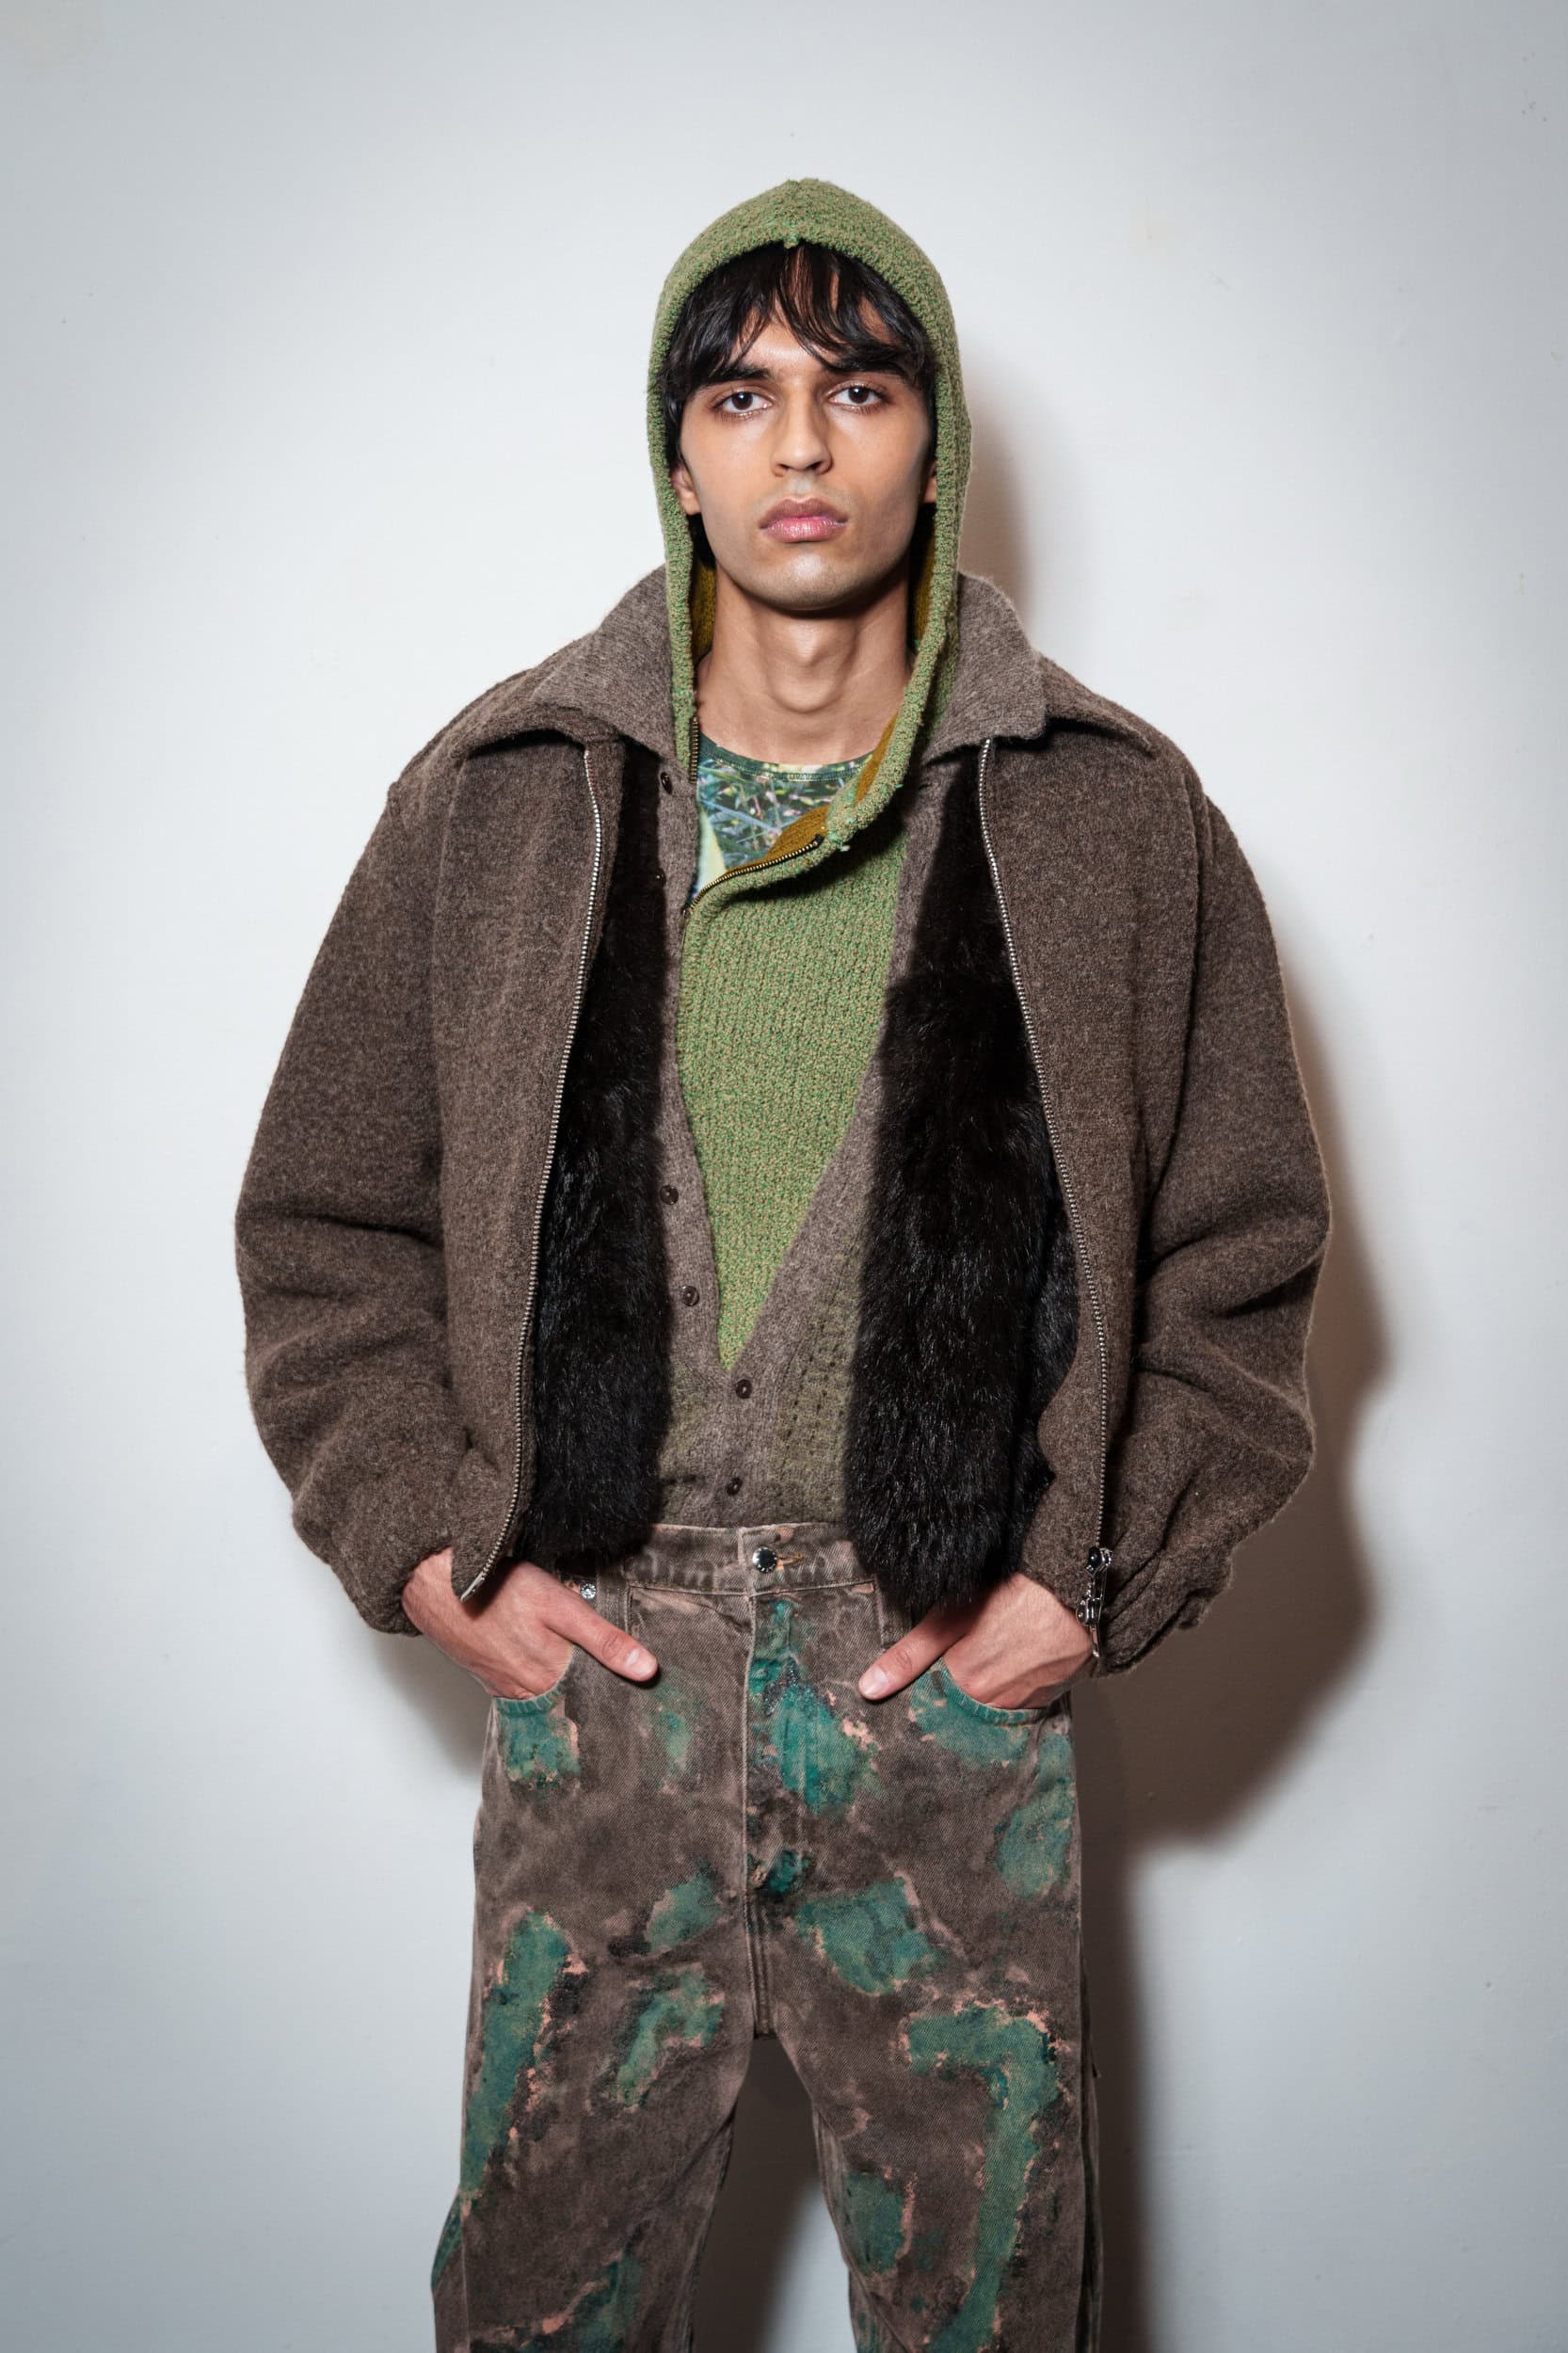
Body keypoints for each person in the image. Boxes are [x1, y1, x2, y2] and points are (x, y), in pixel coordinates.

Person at [234, 177, 1332, 2353]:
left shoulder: (1110, 815)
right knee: (537, 2311)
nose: (800, 445)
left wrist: (1083, 1577)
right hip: (601, 1671)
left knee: (988, 2312)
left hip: (936, 1681)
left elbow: (1240, 1259)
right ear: (675, 455)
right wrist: (426, 1548)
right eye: (738, 395)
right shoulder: (501, 797)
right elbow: (326, 1223)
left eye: (858, 387)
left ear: (934, 439)